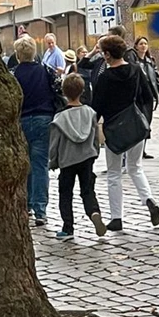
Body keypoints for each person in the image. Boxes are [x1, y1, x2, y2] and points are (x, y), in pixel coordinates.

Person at [91, 34, 159, 233]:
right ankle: (149, 200)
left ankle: (117, 218)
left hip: (114, 129)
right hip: (135, 125)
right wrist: (144, 120)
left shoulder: (105, 78)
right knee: (135, 167)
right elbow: (148, 97)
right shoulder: (136, 70)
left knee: (114, 174)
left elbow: (97, 107)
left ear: (106, 55)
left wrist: (92, 129)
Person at [49, 73, 105, 240]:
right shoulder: (90, 112)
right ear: (82, 91)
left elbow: (55, 143)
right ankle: (94, 212)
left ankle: (68, 227)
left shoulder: (60, 118)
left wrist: (53, 161)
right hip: (87, 157)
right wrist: (95, 152)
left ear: (64, 92)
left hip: (67, 160)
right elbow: (96, 136)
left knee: (65, 193)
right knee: (87, 190)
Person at [12, 36, 54, 227]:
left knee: (25, 165)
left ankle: (26, 205)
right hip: (43, 119)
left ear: (17, 54)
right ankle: (40, 210)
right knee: (40, 165)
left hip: (21, 121)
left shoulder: (13, 75)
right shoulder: (44, 71)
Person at [131, 37, 159, 157]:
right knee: (138, 123)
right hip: (137, 96)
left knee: (147, 123)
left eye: (145, 44)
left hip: (148, 96)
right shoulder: (133, 62)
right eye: (141, 44)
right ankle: (136, 150)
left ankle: (143, 149)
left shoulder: (150, 61)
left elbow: (156, 79)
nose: (143, 46)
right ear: (136, 46)